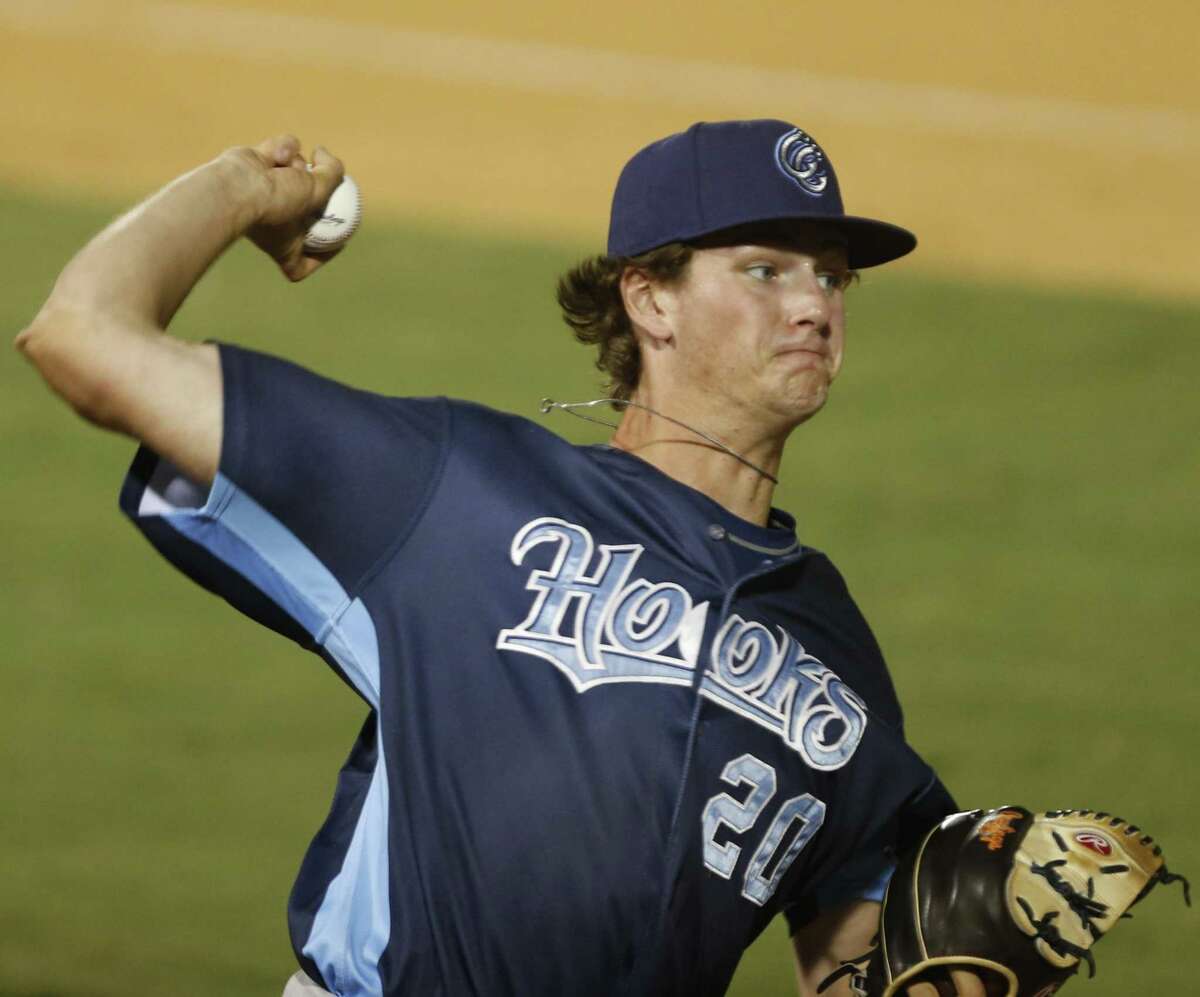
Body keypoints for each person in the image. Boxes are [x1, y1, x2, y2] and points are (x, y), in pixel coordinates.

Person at [16, 120, 979, 997]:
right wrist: (241, 187)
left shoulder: (835, 644)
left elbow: (853, 961)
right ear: (650, 298)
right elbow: (81, 335)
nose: (814, 304)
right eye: (768, 270)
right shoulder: (461, 489)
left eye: (833, 275)